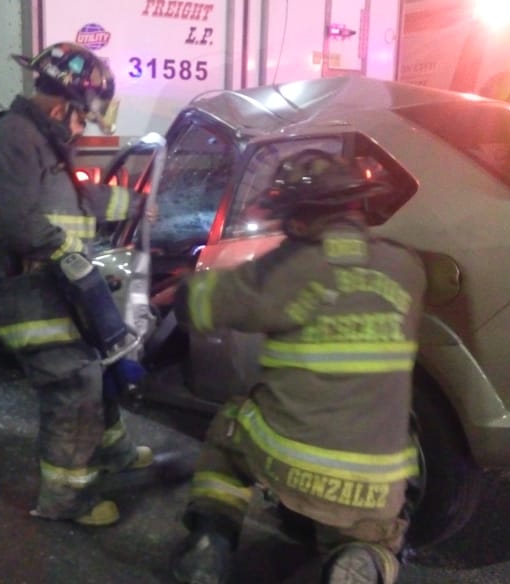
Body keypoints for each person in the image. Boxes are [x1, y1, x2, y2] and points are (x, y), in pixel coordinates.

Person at [169, 150, 427, 584]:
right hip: (377, 481)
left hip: (291, 461)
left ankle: (209, 542)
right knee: (374, 533)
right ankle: (360, 558)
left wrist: (179, 288)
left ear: (300, 220)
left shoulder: (290, 266)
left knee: (229, 430)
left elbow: (203, 303)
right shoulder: (407, 268)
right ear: (357, 206)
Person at [0, 42, 153, 527]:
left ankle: (114, 451)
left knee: (98, 360)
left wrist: (130, 205)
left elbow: (73, 200)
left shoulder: (40, 141)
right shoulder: (12, 140)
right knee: (74, 379)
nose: (82, 127)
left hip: (46, 283)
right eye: (81, 117)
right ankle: (65, 500)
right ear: (62, 105)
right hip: (19, 291)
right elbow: (19, 221)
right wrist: (67, 256)